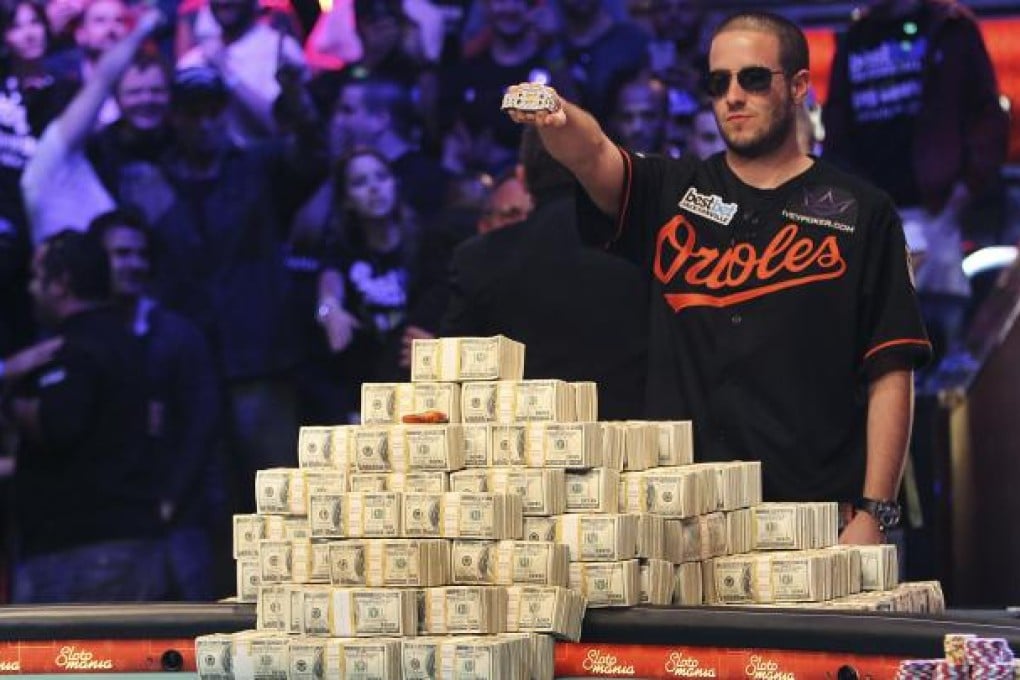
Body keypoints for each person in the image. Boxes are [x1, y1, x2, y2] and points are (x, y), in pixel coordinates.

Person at [505, 11, 932, 544]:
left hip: (813, 517)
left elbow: (891, 367)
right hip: (683, 523)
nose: (733, 95)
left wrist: (874, 511)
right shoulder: (671, 191)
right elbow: (594, 155)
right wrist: (560, 117)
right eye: (718, 82)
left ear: (798, 86)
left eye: (753, 78)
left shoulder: (861, 211)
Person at [822, 0, 1009, 378]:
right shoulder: (855, 35)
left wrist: (964, 188)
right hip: (872, 212)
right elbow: (837, 127)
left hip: (939, 207)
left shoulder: (950, 28)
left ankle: (945, 427)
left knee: (946, 347)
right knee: (877, 344)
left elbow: (988, 115)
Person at [442, 127, 647, 420]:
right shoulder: (649, 249)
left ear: (522, 177)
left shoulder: (478, 258)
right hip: (638, 452)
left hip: (518, 454)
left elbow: (450, 383)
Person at [6, 230, 166, 602]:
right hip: (136, 545)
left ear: (60, 284)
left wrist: (13, 403)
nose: (30, 289)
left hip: (83, 556)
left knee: (71, 662)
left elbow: (59, 425)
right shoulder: (130, 342)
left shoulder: (71, 350)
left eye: (35, 277)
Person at [88, 209, 224, 600]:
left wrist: (171, 498)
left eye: (140, 254)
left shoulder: (178, 335)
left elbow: (202, 424)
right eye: (120, 254)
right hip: (111, 524)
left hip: (180, 516)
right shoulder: (84, 337)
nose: (133, 264)